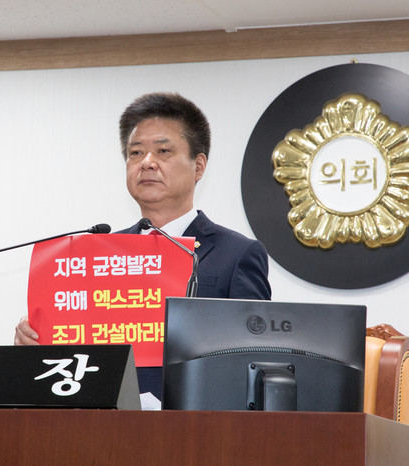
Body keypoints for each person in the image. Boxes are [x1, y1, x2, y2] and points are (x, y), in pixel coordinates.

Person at [15, 92, 271, 399]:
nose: (147, 163)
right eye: (136, 153)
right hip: (106, 418)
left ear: (198, 166)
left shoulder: (237, 255)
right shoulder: (98, 255)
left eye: (163, 151)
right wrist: (35, 343)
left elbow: (252, 362)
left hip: (191, 420)